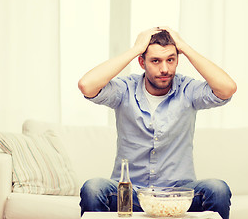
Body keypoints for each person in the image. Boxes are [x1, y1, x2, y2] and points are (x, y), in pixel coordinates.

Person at [78, 26, 237, 219]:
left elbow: (227, 88)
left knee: (218, 189)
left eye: (171, 60)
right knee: (93, 188)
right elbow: (87, 85)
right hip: (131, 195)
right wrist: (136, 48)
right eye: (155, 61)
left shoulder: (187, 89)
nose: (165, 69)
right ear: (141, 62)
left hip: (179, 195)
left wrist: (184, 47)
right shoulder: (125, 90)